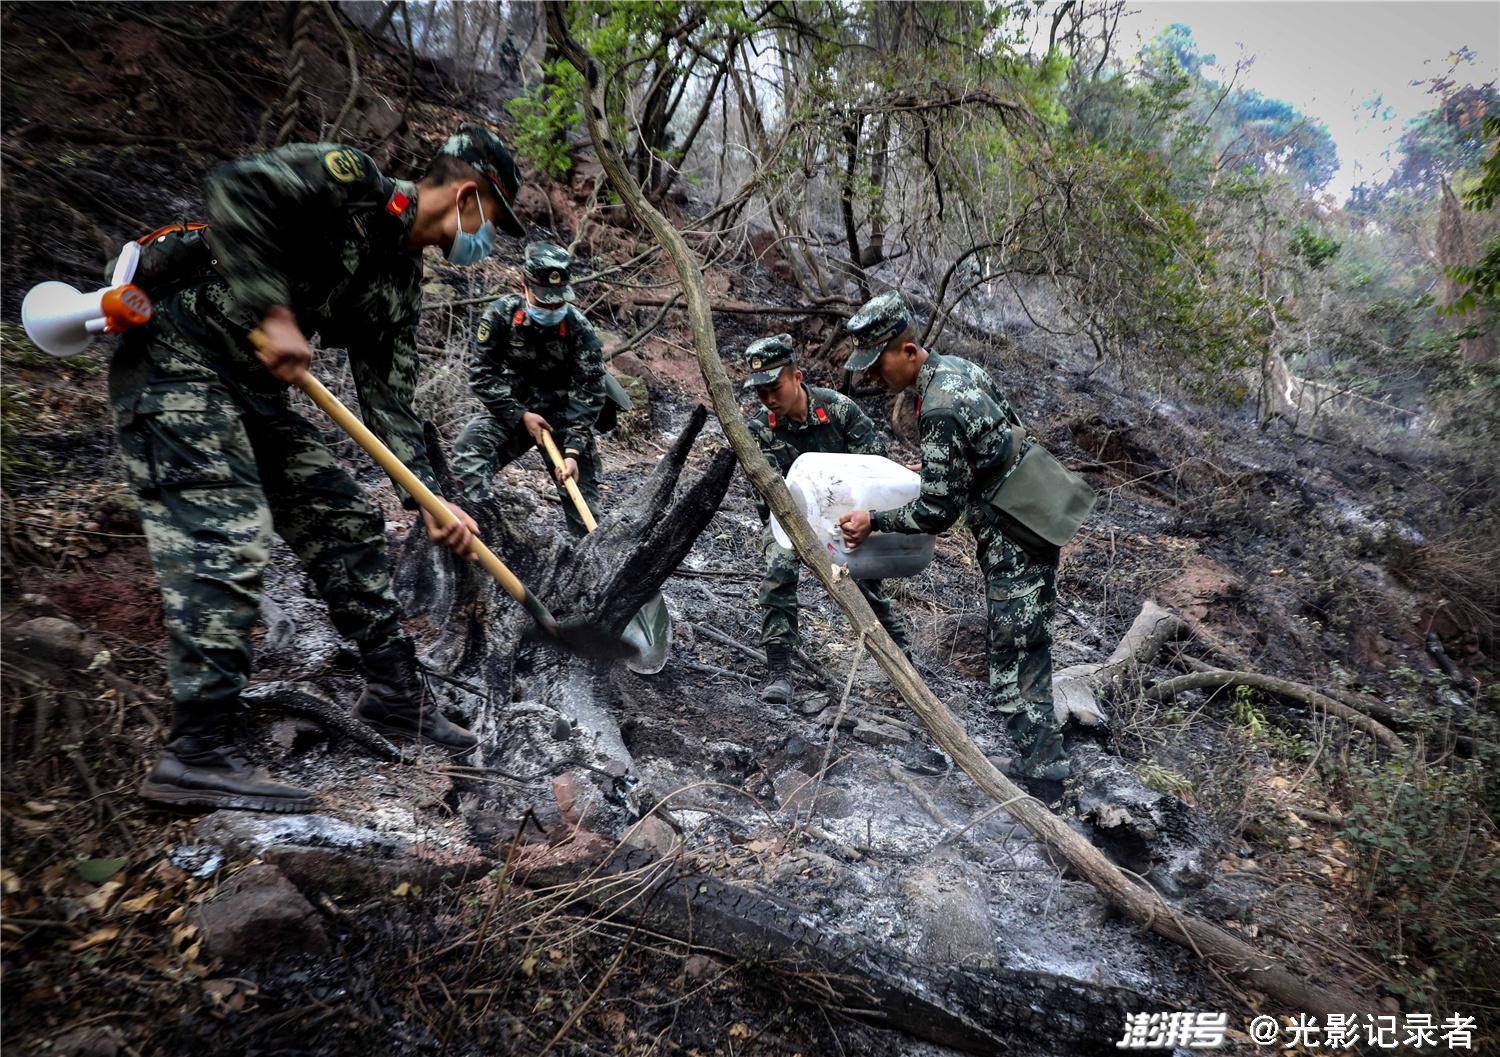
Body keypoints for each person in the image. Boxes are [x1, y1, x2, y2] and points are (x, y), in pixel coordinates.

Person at [116, 124, 527, 813]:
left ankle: (396, 692)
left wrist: (427, 498)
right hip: (177, 358)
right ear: (467, 195)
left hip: (253, 391)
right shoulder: (349, 182)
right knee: (228, 530)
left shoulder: (400, 283)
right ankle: (197, 751)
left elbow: (390, 401)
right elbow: (235, 188)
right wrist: (274, 311)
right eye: (491, 217)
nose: (487, 240)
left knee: (344, 518)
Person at [835, 293, 1069, 782]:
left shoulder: (938, 409)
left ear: (909, 351)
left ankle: (1044, 773)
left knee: (1013, 653)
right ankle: (1042, 760)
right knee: (1026, 644)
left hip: (1016, 529)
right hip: (1037, 500)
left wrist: (875, 521)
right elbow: (1001, 428)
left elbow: (937, 514)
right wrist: (952, 468)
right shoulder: (955, 368)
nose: (876, 379)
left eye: (879, 367)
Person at [743, 334, 910, 703]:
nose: (769, 399)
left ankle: (902, 663)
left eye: (775, 388)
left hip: (847, 518)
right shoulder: (758, 431)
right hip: (787, 522)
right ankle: (779, 669)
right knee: (779, 567)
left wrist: (860, 518)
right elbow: (769, 497)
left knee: (865, 583)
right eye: (761, 393)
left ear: (797, 377)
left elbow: (876, 463)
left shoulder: (839, 410)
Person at [452, 241, 606, 536]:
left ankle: (585, 561)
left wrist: (572, 451)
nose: (551, 309)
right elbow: (482, 375)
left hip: (564, 416)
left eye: (557, 303)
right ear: (523, 286)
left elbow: (589, 393)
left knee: (584, 505)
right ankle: (480, 536)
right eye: (544, 302)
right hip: (516, 409)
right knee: (469, 449)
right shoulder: (501, 316)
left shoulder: (580, 329)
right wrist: (520, 415)